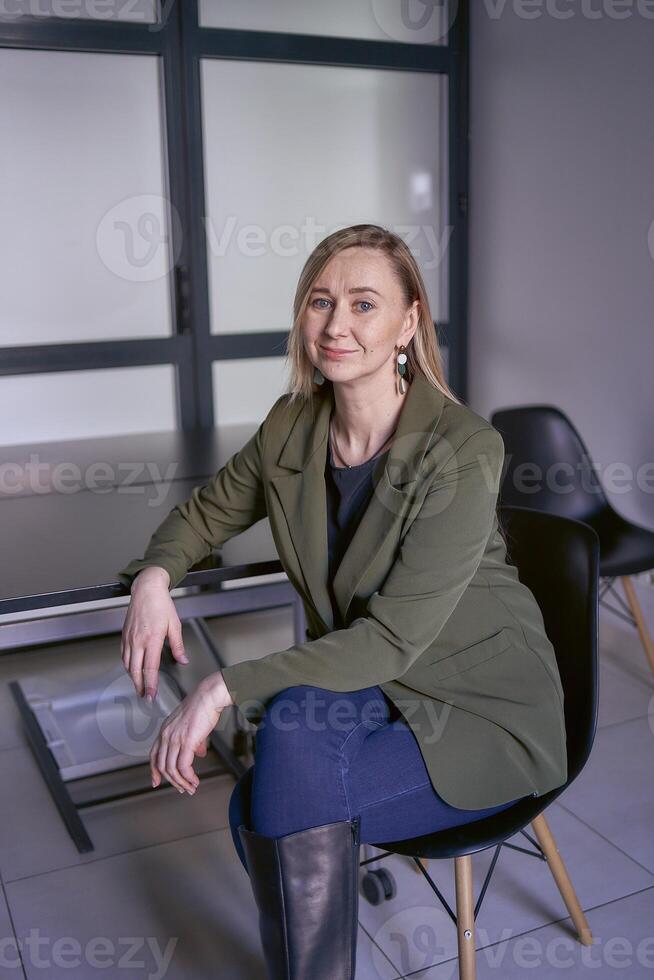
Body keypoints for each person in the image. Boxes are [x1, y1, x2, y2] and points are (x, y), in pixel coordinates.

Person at [117, 224, 568, 980]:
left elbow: (391, 639)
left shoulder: (460, 448)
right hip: (375, 683)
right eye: (320, 302)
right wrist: (153, 578)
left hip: (477, 702)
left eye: (364, 303)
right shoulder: (292, 425)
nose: (336, 325)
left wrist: (220, 688)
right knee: (284, 750)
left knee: (260, 808)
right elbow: (203, 516)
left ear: (408, 322)